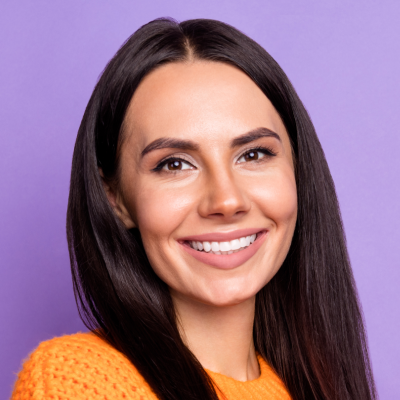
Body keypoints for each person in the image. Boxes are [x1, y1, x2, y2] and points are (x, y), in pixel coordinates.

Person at [11, 18, 377, 400]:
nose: (226, 201)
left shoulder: (315, 385)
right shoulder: (78, 382)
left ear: (299, 172)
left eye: (253, 154)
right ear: (115, 199)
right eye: (174, 164)